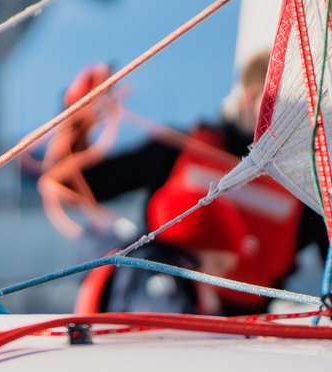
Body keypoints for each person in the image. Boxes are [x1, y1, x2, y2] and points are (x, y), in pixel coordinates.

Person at [40, 52, 322, 313]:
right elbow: (73, 185)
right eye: (291, 111)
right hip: (163, 316)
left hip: (250, 338)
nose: (299, 123)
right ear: (252, 99)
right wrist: (76, 120)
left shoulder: (307, 183)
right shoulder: (176, 152)